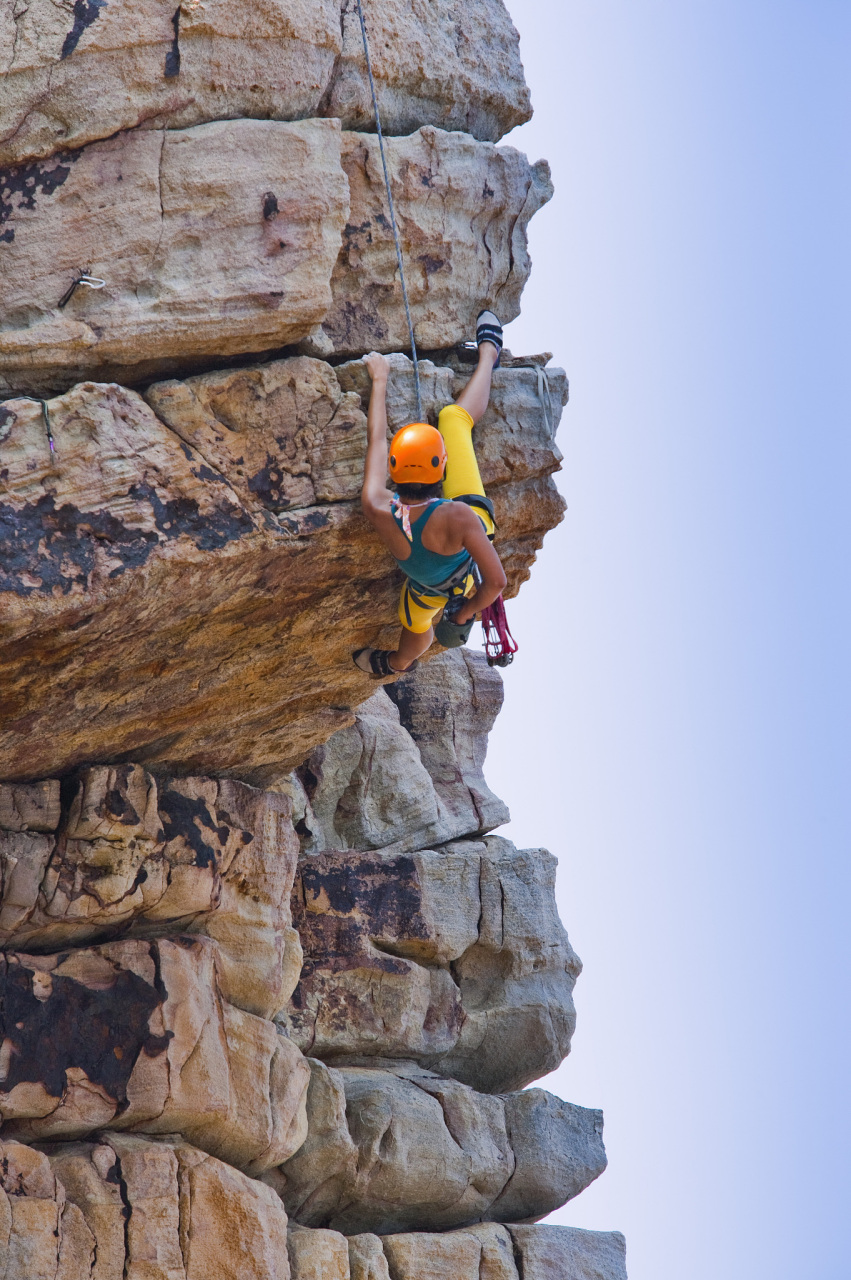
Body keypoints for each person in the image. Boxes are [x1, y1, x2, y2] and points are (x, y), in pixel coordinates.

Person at [353, 311, 508, 677]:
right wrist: (467, 611)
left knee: (416, 627)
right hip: (465, 570)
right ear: (443, 468)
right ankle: (488, 353)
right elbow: (497, 582)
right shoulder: (458, 517)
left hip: (428, 590)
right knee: (454, 418)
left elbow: (377, 440)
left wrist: (380, 380)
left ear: (394, 470)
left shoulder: (377, 505)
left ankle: (395, 664)